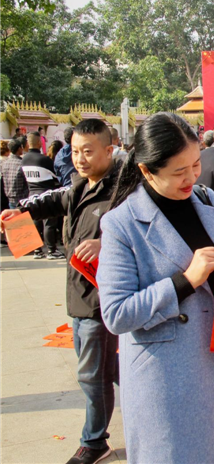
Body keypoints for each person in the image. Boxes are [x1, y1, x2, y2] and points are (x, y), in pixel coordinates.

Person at [96, 112, 214, 464]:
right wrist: (185, 281)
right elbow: (117, 314)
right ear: (147, 170)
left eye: (196, 165)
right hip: (169, 375)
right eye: (179, 171)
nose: (192, 177)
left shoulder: (209, 202)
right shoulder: (122, 224)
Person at [1, 119, 120, 464]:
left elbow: (140, 233)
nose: (80, 159)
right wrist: (21, 211)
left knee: (92, 374)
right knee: (108, 370)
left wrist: (106, 243)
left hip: (101, 297)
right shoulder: (80, 184)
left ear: (109, 150)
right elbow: (54, 200)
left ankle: (94, 441)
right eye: (76, 151)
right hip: (78, 293)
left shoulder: (123, 191)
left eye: (88, 151)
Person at [21, 131, 63, 259]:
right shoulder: (44, 160)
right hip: (46, 194)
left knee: (36, 223)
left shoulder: (24, 160)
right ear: (39, 143)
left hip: (31, 194)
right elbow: (57, 176)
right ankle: (51, 250)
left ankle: (37, 250)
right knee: (49, 223)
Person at [1, 138, 29, 209]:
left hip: (10, 199)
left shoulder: (4, 163)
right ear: (19, 148)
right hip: (22, 199)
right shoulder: (21, 163)